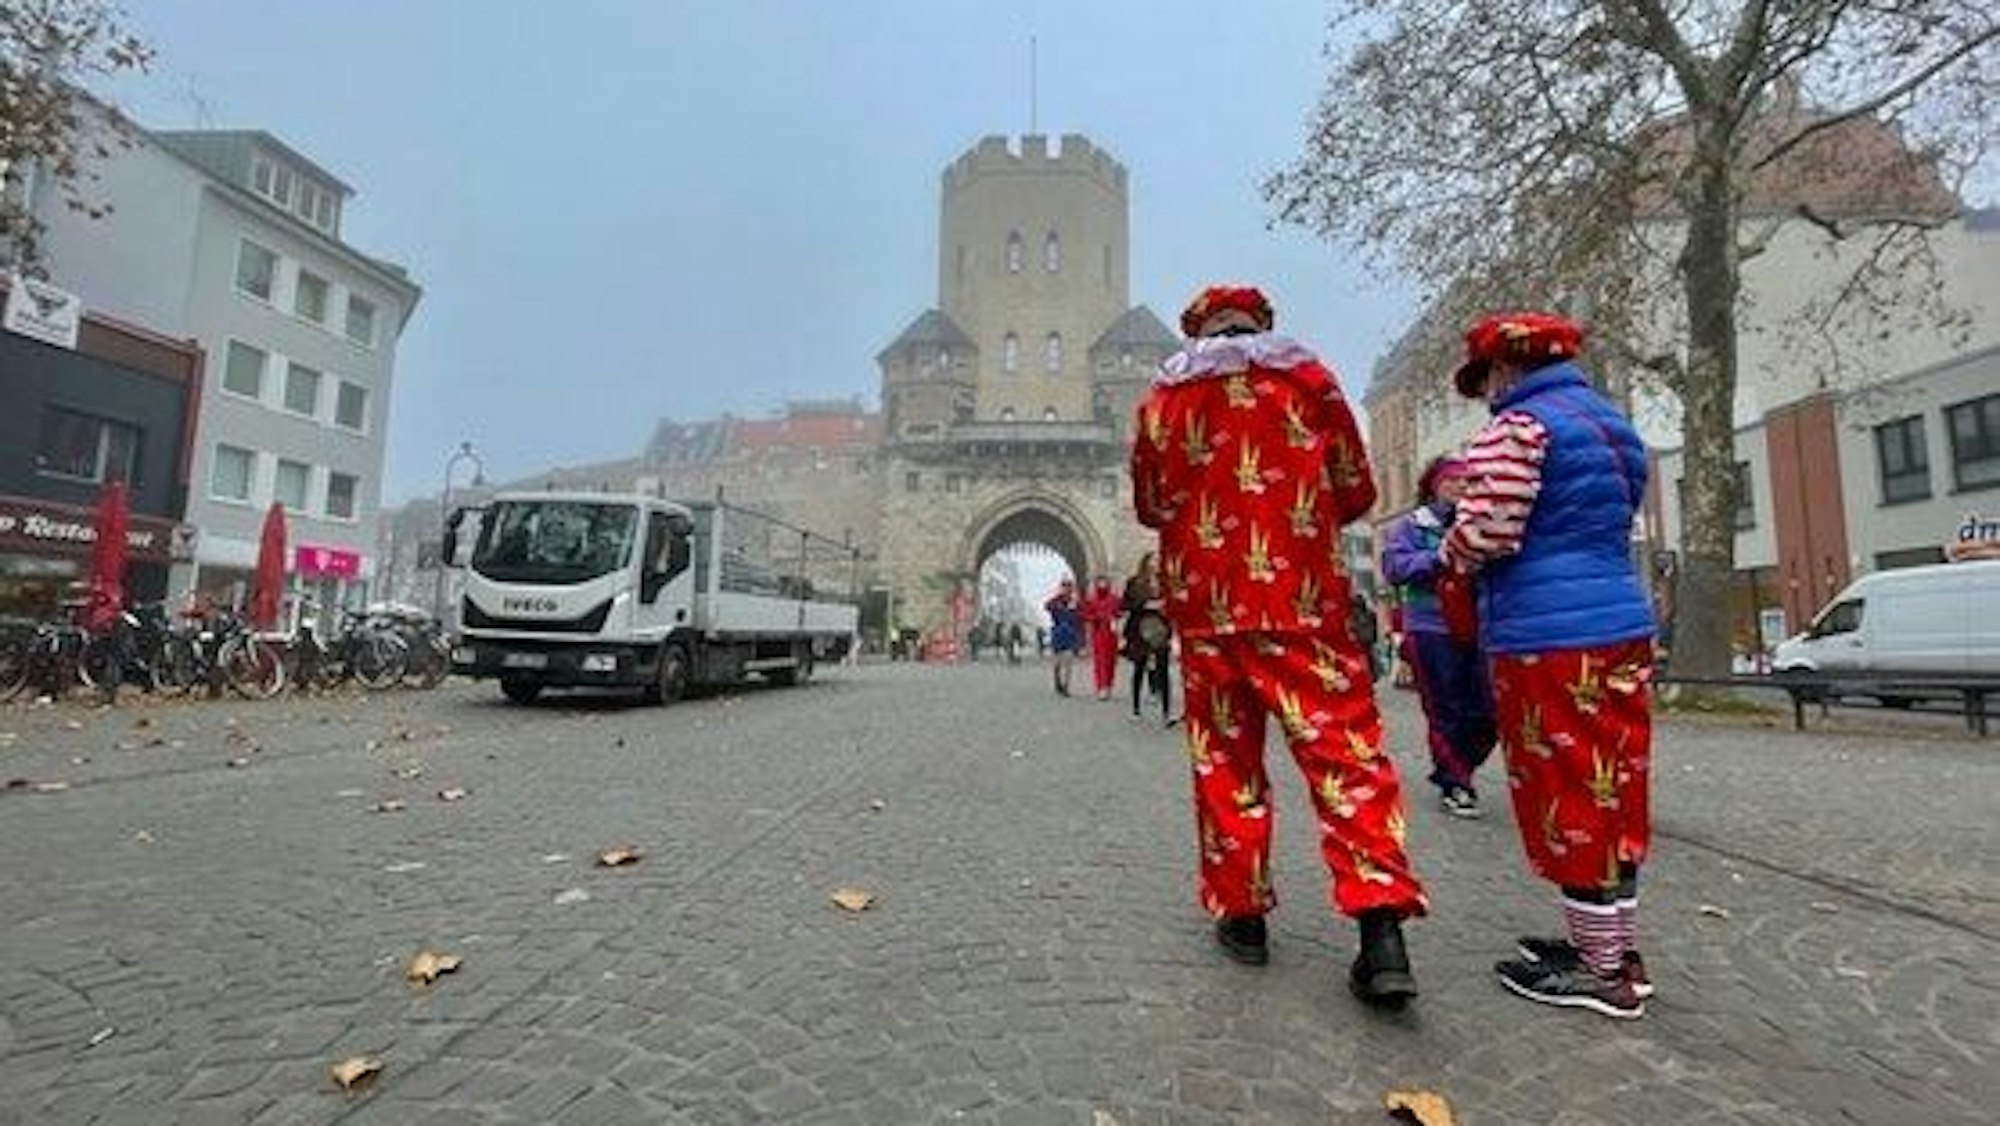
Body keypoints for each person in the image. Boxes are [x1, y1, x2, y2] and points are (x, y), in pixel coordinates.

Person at [1133, 283, 1427, 1006]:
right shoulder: (1310, 381)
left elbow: (1149, 502)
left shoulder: (1163, 401)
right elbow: (1356, 490)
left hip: (1207, 608)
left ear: (1197, 330)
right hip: (1302, 604)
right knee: (1346, 756)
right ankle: (1380, 926)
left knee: (1226, 761)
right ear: (1262, 325)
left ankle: (1243, 916)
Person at [1440, 311, 1658, 1019]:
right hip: (1620, 619)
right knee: (1613, 782)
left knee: (1566, 789)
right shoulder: (1613, 425)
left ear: (1504, 370)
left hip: (1549, 630)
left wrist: (1451, 558)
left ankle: (1601, 973)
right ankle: (1616, 947)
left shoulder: (1520, 429)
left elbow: (1485, 532)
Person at [1380, 454, 1498, 818]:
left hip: (1481, 627)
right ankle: (1456, 783)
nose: (1461, 486)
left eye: (1467, 481)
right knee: (1445, 708)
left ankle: (1455, 767)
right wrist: (1440, 557)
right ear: (1434, 484)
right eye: (1452, 480)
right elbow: (1395, 567)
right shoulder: (1412, 526)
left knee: (1488, 711)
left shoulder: (1485, 524)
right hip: (1431, 627)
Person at [1120, 553, 1174, 724]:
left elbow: (1175, 604)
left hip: (1160, 629)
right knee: (1139, 668)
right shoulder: (1134, 581)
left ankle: (1167, 713)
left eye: (1159, 560)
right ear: (1145, 562)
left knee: (1164, 670)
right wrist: (1145, 605)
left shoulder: (1167, 582)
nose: (1156, 563)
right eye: (1153, 560)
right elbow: (1125, 604)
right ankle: (1135, 710)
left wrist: (1167, 606)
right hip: (1139, 629)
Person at [1080, 574, 1123, 701]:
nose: (1102, 584)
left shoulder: (1115, 599)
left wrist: (1116, 616)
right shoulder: (1092, 600)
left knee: (1111, 662)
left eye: (1104, 582)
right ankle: (1101, 687)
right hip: (1099, 633)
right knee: (1100, 662)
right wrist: (1096, 618)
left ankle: (1108, 685)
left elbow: (1121, 611)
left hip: (1112, 634)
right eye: (1100, 582)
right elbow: (1085, 615)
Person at [1043, 579, 1083, 697]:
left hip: (1070, 635)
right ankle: (1057, 681)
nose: (1067, 589)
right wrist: (1058, 601)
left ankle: (1066, 686)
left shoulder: (1075, 602)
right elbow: (1047, 606)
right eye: (1064, 587)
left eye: (1069, 587)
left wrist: (1075, 607)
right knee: (1057, 663)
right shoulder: (1056, 601)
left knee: (1068, 662)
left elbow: (1080, 618)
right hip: (1058, 634)